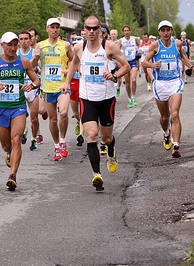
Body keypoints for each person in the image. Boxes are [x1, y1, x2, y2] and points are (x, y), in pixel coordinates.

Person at [60, 15, 130, 191]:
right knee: (91, 135)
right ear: (84, 30)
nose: (91, 31)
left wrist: (114, 75)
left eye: (94, 28)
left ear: (100, 30)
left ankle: (111, 150)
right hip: (87, 99)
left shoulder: (109, 47)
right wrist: (67, 82)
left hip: (106, 99)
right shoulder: (79, 47)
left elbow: (126, 66)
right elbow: (74, 64)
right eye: (88, 28)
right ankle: (97, 174)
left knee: (106, 138)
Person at [0, 32, 40, 191]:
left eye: (15, 44)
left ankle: (13, 175)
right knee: (6, 145)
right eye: (9, 45)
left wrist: (31, 86)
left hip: (18, 107)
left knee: (16, 139)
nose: (13, 48)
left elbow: (36, 80)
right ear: (3, 45)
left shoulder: (24, 62)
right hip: (1, 108)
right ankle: (8, 154)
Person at [143, 20, 194, 158]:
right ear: (159, 32)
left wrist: (192, 67)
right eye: (163, 30)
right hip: (161, 84)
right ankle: (166, 133)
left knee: (174, 114)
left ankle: (176, 146)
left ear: (171, 31)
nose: (166, 33)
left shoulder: (177, 44)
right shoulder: (155, 46)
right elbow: (144, 62)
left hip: (175, 82)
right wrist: (153, 65)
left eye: (168, 30)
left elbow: (182, 57)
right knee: (165, 117)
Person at [31, 18, 74, 161]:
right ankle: (56, 146)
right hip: (47, 88)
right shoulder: (41, 45)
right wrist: (36, 57)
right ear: (47, 29)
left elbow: (73, 61)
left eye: (57, 27)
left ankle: (63, 141)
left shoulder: (66, 45)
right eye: (52, 27)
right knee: (53, 119)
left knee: (63, 113)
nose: (55, 30)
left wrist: (69, 70)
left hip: (62, 87)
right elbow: (31, 66)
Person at [17, 30, 43, 151]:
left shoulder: (35, 53)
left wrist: (37, 70)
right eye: (21, 39)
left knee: (34, 118)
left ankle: (33, 138)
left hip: (33, 86)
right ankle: (23, 130)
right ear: (18, 41)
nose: (23, 42)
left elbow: (42, 69)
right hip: (20, 88)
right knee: (20, 116)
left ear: (30, 40)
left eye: (26, 39)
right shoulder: (15, 54)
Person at [28, 27, 48, 145]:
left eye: (31, 36)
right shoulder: (20, 52)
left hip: (39, 84)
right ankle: (37, 134)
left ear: (36, 37)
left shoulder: (39, 51)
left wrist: (36, 69)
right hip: (24, 85)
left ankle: (45, 112)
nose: (29, 39)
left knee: (40, 110)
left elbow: (43, 69)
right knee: (32, 114)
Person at [118, 25, 140, 108]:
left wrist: (138, 50)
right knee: (127, 83)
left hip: (133, 61)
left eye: (128, 30)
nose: (127, 32)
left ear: (130, 31)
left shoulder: (134, 39)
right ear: (123, 32)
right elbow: (117, 51)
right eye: (125, 31)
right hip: (125, 63)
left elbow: (139, 45)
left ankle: (133, 97)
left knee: (133, 79)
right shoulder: (121, 41)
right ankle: (129, 98)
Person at [109, 29, 122, 97]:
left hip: (118, 60)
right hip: (112, 61)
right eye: (112, 34)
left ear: (117, 35)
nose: (113, 35)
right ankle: (112, 93)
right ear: (110, 35)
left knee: (119, 78)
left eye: (114, 34)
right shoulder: (108, 42)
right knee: (112, 76)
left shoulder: (119, 41)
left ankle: (118, 88)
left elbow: (117, 49)